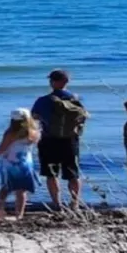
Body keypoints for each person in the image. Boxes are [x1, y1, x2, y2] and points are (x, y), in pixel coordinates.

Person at [31, 69, 90, 210]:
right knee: (73, 173)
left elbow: (34, 116)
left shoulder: (43, 100)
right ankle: (74, 203)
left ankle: (57, 203)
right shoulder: (76, 99)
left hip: (49, 139)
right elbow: (83, 118)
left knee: (51, 173)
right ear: (67, 82)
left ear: (53, 82)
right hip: (70, 140)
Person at [0, 108, 41, 221]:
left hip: (10, 163)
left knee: (6, 188)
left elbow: (1, 149)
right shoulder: (33, 132)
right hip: (25, 162)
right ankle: (19, 214)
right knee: (22, 190)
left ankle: (0, 209)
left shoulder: (11, 133)